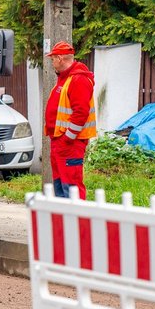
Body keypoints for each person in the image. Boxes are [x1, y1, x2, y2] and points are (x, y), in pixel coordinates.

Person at [44, 41, 96, 200]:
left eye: (52, 59)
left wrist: (67, 138)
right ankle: (63, 224)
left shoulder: (78, 79)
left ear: (59, 58)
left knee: (71, 188)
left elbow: (81, 112)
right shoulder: (66, 78)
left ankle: (77, 224)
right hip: (60, 142)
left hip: (70, 144)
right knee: (61, 188)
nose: (52, 62)